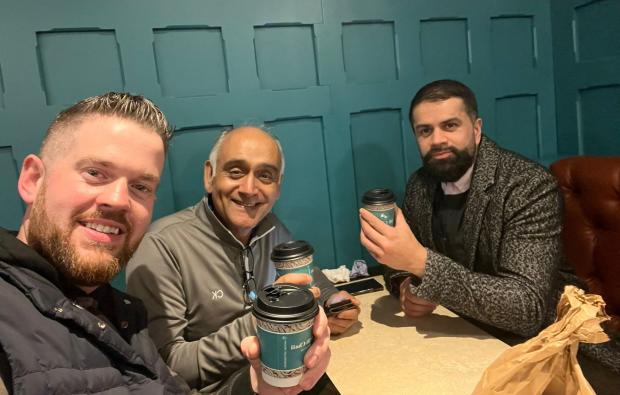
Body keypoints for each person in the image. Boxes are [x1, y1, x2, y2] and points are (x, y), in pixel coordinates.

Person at [0, 93, 330, 395]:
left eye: (141, 186)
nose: (118, 200)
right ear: (33, 179)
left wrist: (257, 385)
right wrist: (264, 320)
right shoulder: (162, 246)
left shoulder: (118, 313)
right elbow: (177, 363)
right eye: (95, 172)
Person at [126, 126, 359, 392]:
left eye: (265, 175)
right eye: (236, 171)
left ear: (278, 187)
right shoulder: (160, 247)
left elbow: (305, 273)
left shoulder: (271, 227)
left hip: (288, 376)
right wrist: (264, 322)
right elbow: (167, 366)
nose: (250, 189)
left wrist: (333, 298)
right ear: (210, 176)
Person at [359, 79, 564, 340]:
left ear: (476, 129)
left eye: (450, 126)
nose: (437, 140)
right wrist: (405, 285)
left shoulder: (528, 186)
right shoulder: (420, 184)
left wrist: (421, 263)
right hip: (453, 331)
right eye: (424, 131)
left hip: (540, 343)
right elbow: (400, 260)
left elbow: (526, 309)